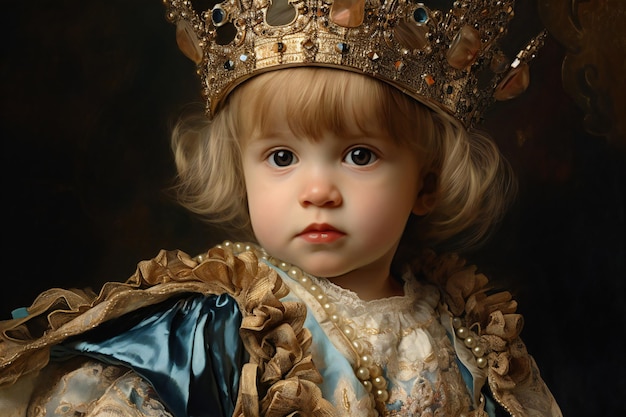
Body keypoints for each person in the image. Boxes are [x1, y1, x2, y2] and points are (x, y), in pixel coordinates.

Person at [0, 0, 562, 416]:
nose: (317, 189)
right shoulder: (220, 327)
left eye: (359, 155)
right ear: (240, 172)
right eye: (282, 156)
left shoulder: (466, 329)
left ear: (427, 183)